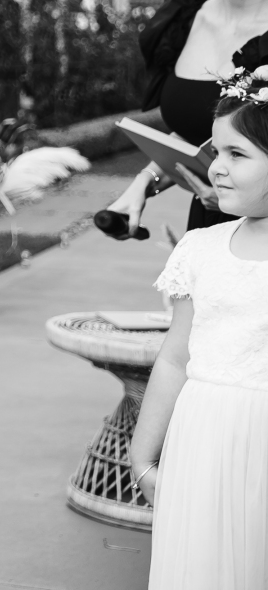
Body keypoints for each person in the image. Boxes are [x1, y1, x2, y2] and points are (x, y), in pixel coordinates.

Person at [132, 41, 268, 588]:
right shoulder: (201, 249)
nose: (217, 168)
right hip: (202, 439)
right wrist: (143, 456)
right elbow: (175, 358)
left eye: (239, 155)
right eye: (216, 152)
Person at [107, 0, 268, 237]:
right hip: (209, 238)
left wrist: (245, 203)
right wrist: (142, 185)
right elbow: (198, 138)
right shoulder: (184, 19)